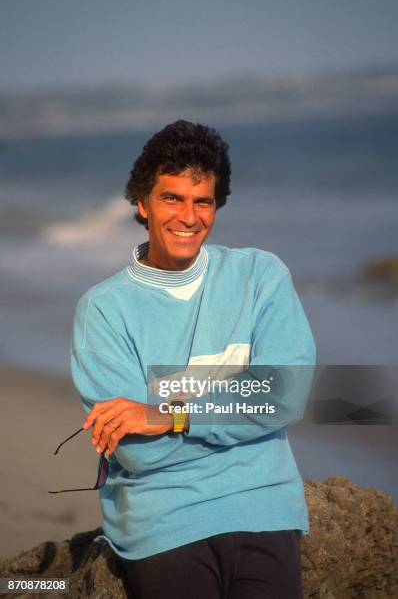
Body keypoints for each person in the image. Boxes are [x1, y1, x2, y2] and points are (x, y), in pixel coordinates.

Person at [71, 120, 316, 598]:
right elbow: (136, 452)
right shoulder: (102, 311)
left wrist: (165, 414)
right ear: (142, 203)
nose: (189, 216)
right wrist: (244, 410)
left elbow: (285, 395)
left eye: (202, 201)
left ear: (216, 206)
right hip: (162, 521)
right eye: (172, 198)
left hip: (262, 505)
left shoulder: (259, 276)